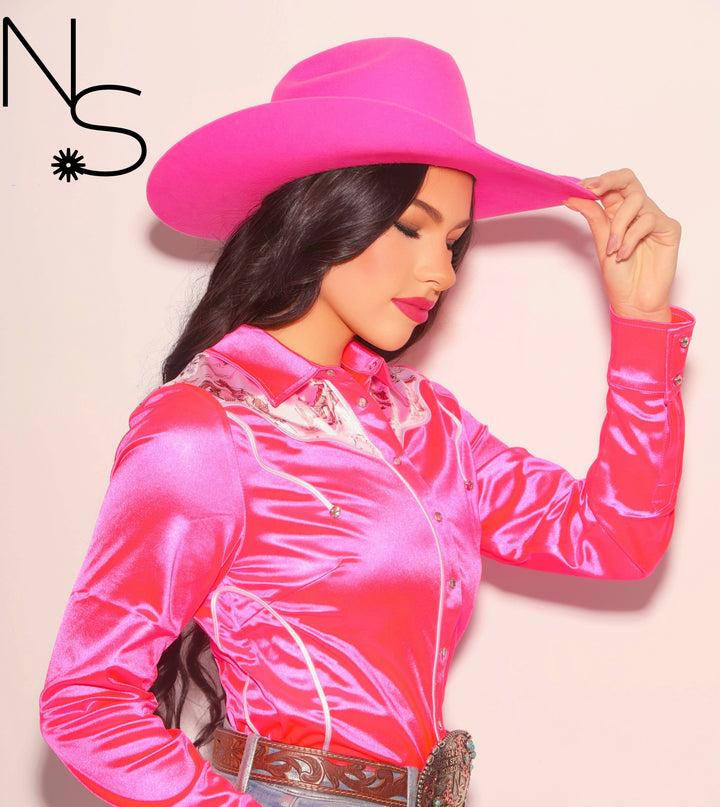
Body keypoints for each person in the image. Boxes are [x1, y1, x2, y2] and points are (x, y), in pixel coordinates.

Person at [39, 37, 693, 807]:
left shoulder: (426, 423)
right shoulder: (205, 430)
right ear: (325, 211)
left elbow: (615, 538)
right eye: (413, 227)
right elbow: (85, 700)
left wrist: (642, 326)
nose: (441, 272)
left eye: (454, 241)